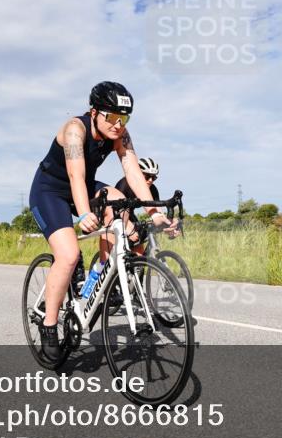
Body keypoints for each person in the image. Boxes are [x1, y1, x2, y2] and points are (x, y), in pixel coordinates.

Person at [28, 82, 176, 361]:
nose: (118, 125)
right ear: (94, 111)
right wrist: (84, 213)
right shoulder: (75, 129)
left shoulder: (120, 133)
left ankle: (100, 272)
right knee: (69, 255)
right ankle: (48, 325)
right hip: (50, 190)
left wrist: (154, 212)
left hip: (84, 184)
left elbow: (133, 172)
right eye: (112, 117)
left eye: (124, 118)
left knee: (119, 198)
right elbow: (75, 175)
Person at [114, 157, 179, 253]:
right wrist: (126, 227)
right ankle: (107, 263)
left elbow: (158, 211)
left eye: (154, 177)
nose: (150, 180)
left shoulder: (152, 189)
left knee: (139, 247)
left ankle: (137, 266)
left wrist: (168, 225)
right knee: (123, 241)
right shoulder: (124, 185)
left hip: (130, 213)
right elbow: (117, 210)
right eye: (147, 176)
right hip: (116, 213)